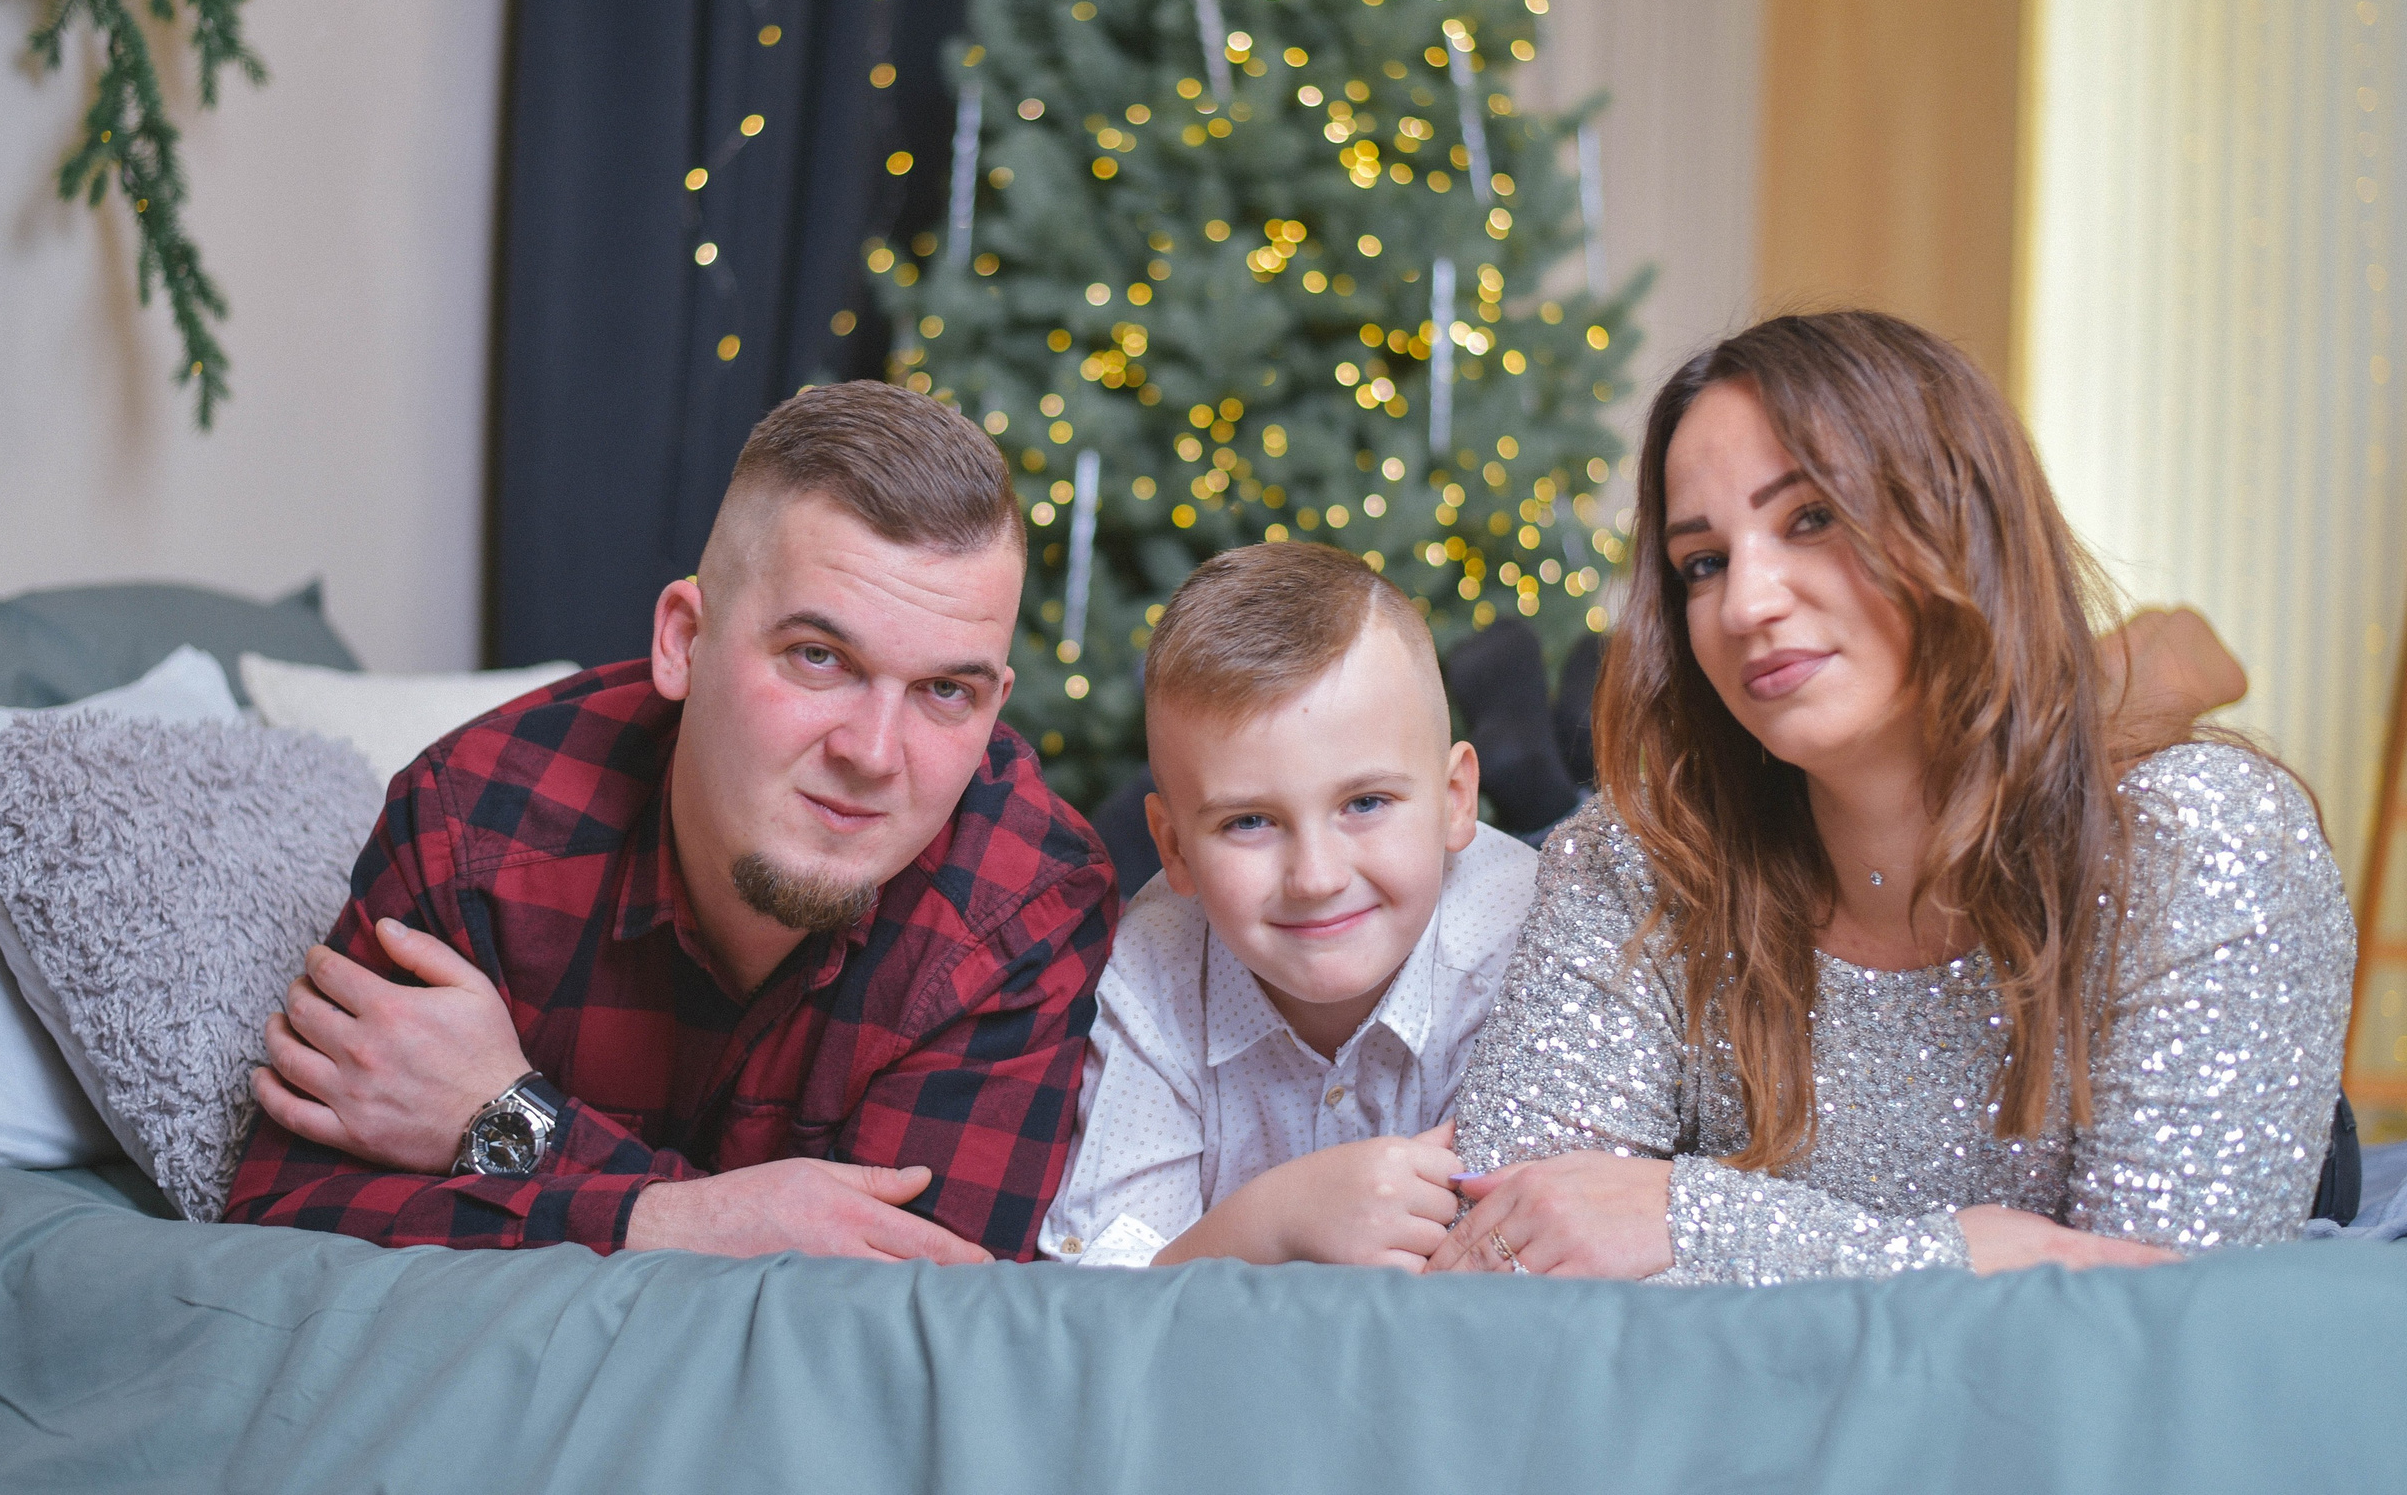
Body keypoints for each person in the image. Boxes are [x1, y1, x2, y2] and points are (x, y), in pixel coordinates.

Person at [1438, 311, 2356, 1285]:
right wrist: (1970, 1256)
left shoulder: (2200, 837)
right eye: (1701, 561)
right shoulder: (1631, 856)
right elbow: (1509, 1242)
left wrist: (1692, 1219)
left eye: (1811, 517)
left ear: (1960, 523)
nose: (1745, 604)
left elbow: (2152, 1316)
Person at [223, 382, 1116, 1262]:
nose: (876, 754)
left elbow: (901, 1342)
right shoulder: (473, 827)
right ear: (683, 641)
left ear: (995, 706)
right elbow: (280, 1231)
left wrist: (510, 1121)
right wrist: (688, 1223)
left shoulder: (1027, 906)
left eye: (945, 690)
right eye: (818, 656)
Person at [1038, 542, 1539, 1269]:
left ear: (1456, 798)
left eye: (1365, 802)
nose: (1316, 876)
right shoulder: (1154, 968)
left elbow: (1549, 1267)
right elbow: (1097, 1286)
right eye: (1248, 821)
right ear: (1173, 848)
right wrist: (1272, 1222)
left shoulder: (1528, 937)